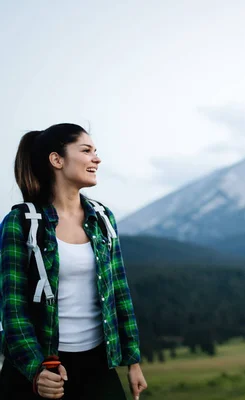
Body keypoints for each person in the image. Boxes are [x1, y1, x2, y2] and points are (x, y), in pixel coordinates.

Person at [0, 123, 147, 399]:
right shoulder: (20, 223)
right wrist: (36, 370)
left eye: (96, 151)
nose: (97, 158)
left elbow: (119, 292)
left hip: (97, 364)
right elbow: (13, 311)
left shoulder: (103, 219)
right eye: (86, 150)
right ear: (57, 160)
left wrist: (133, 361)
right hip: (45, 367)